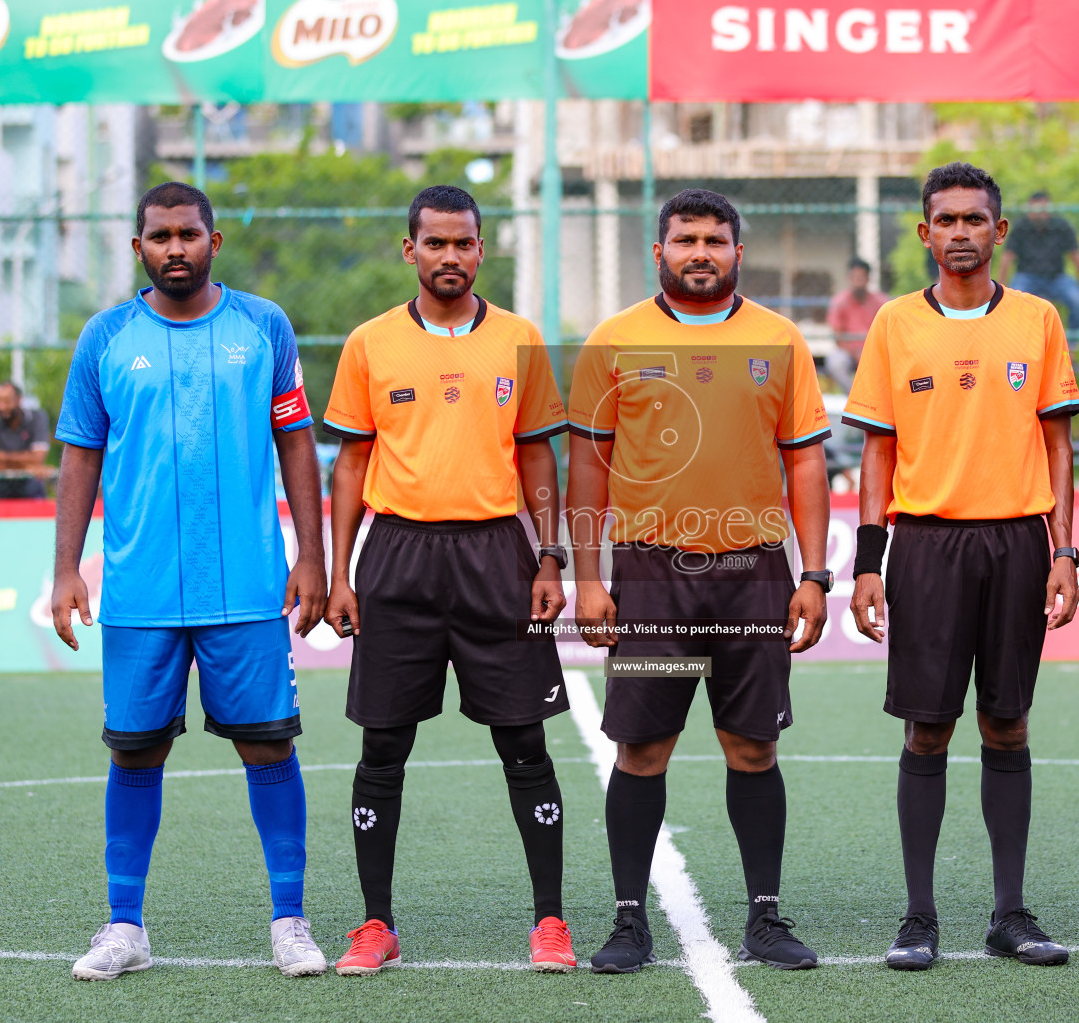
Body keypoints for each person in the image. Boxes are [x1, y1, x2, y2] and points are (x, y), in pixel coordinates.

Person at [51, 182, 329, 981]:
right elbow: (80, 455)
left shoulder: (262, 326)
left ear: (215, 241)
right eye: (160, 235)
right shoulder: (104, 337)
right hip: (140, 590)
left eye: (189, 233)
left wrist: (311, 555)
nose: (176, 247)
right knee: (135, 754)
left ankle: (290, 920)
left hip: (245, 583)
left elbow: (297, 444)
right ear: (137, 246)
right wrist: (67, 569)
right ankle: (125, 925)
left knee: (268, 743)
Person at [568, 188, 832, 973]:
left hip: (754, 574)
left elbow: (806, 460)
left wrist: (814, 575)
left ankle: (766, 917)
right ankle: (626, 921)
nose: (701, 251)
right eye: (686, 239)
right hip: (652, 578)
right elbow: (586, 465)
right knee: (642, 748)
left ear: (738, 252)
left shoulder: (779, 339)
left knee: (752, 747)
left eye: (716, 239)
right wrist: (590, 576)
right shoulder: (615, 340)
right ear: (659, 251)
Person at [321, 185, 576, 976]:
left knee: (523, 741)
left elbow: (538, 453)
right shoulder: (370, 343)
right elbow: (352, 462)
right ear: (410, 251)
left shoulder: (519, 340)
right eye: (435, 244)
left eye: (464, 243)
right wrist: (339, 573)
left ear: (481, 248)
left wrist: (550, 554)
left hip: (499, 554)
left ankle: (550, 921)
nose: (450, 257)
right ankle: (375, 924)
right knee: (383, 745)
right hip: (397, 555)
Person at [843, 163, 1079, 971]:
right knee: (929, 726)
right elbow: (878, 451)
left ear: (999, 231)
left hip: (1018, 540)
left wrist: (1065, 549)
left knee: (1007, 723)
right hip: (927, 545)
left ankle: (1009, 912)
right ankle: (918, 917)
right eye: (945, 220)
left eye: (975, 219)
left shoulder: (1040, 320)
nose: (959, 232)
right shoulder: (893, 325)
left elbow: (1060, 445)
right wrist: (867, 562)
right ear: (924, 234)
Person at [998, 190, 1079, 328]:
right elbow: (1007, 259)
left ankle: (1071, 345)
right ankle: (1020, 340)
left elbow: (1077, 258)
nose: (1039, 213)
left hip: (1056, 278)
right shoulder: (1020, 227)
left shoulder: (1060, 226)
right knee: (1013, 302)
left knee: (1077, 299)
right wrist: (1001, 289)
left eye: (1043, 209)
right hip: (1027, 277)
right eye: (1036, 209)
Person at [0, 381, 51, 498]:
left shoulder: (37, 418)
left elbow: (38, 458)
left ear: (19, 399)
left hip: (31, 493)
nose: (1, 406)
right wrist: (27, 464)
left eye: (7, 401)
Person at [824, 257, 888, 390]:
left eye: (861, 277)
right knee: (835, 362)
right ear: (849, 278)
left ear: (868, 278)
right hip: (848, 352)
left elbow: (887, 333)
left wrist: (867, 353)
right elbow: (838, 337)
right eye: (855, 277)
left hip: (874, 352)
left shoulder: (881, 302)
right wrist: (855, 353)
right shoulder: (839, 302)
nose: (858, 281)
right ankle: (854, 398)